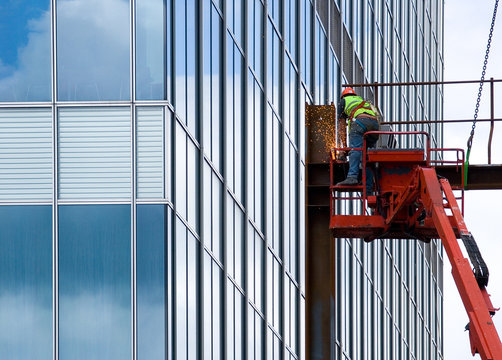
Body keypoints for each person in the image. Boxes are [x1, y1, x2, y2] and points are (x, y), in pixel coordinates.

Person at [336, 87, 380, 191]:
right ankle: (369, 187)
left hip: (360, 123)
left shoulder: (343, 101)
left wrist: (344, 149)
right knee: (367, 156)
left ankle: (352, 177)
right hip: (374, 126)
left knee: (355, 150)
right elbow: (378, 117)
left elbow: (342, 126)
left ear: (343, 96)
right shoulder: (364, 101)